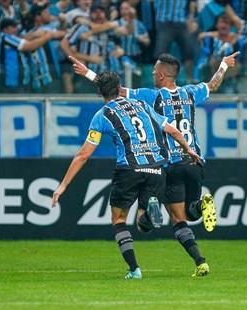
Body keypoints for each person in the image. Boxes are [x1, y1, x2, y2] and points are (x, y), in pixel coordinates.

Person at [68, 49, 238, 277]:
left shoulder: (151, 96)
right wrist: (224, 65)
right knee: (190, 213)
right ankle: (200, 237)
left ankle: (151, 216)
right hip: (195, 160)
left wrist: (87, 73)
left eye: (155, 71)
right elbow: (214, 84)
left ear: (160, 76)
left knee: (174, 221)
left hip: (170, 163)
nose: (152, 74)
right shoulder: (191, 92)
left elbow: (115, 90)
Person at [52, 71, 201, 280]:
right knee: (142, 225)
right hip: (156, 169)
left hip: (129, 170)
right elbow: (174, 131)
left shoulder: (102, 115)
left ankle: (134, 270)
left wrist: (63, 186)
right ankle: (148, 214)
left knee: (119, 219)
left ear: (99, 92)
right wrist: (189, 150)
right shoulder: (141, 105)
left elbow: (83, 155)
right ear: (120, 86)